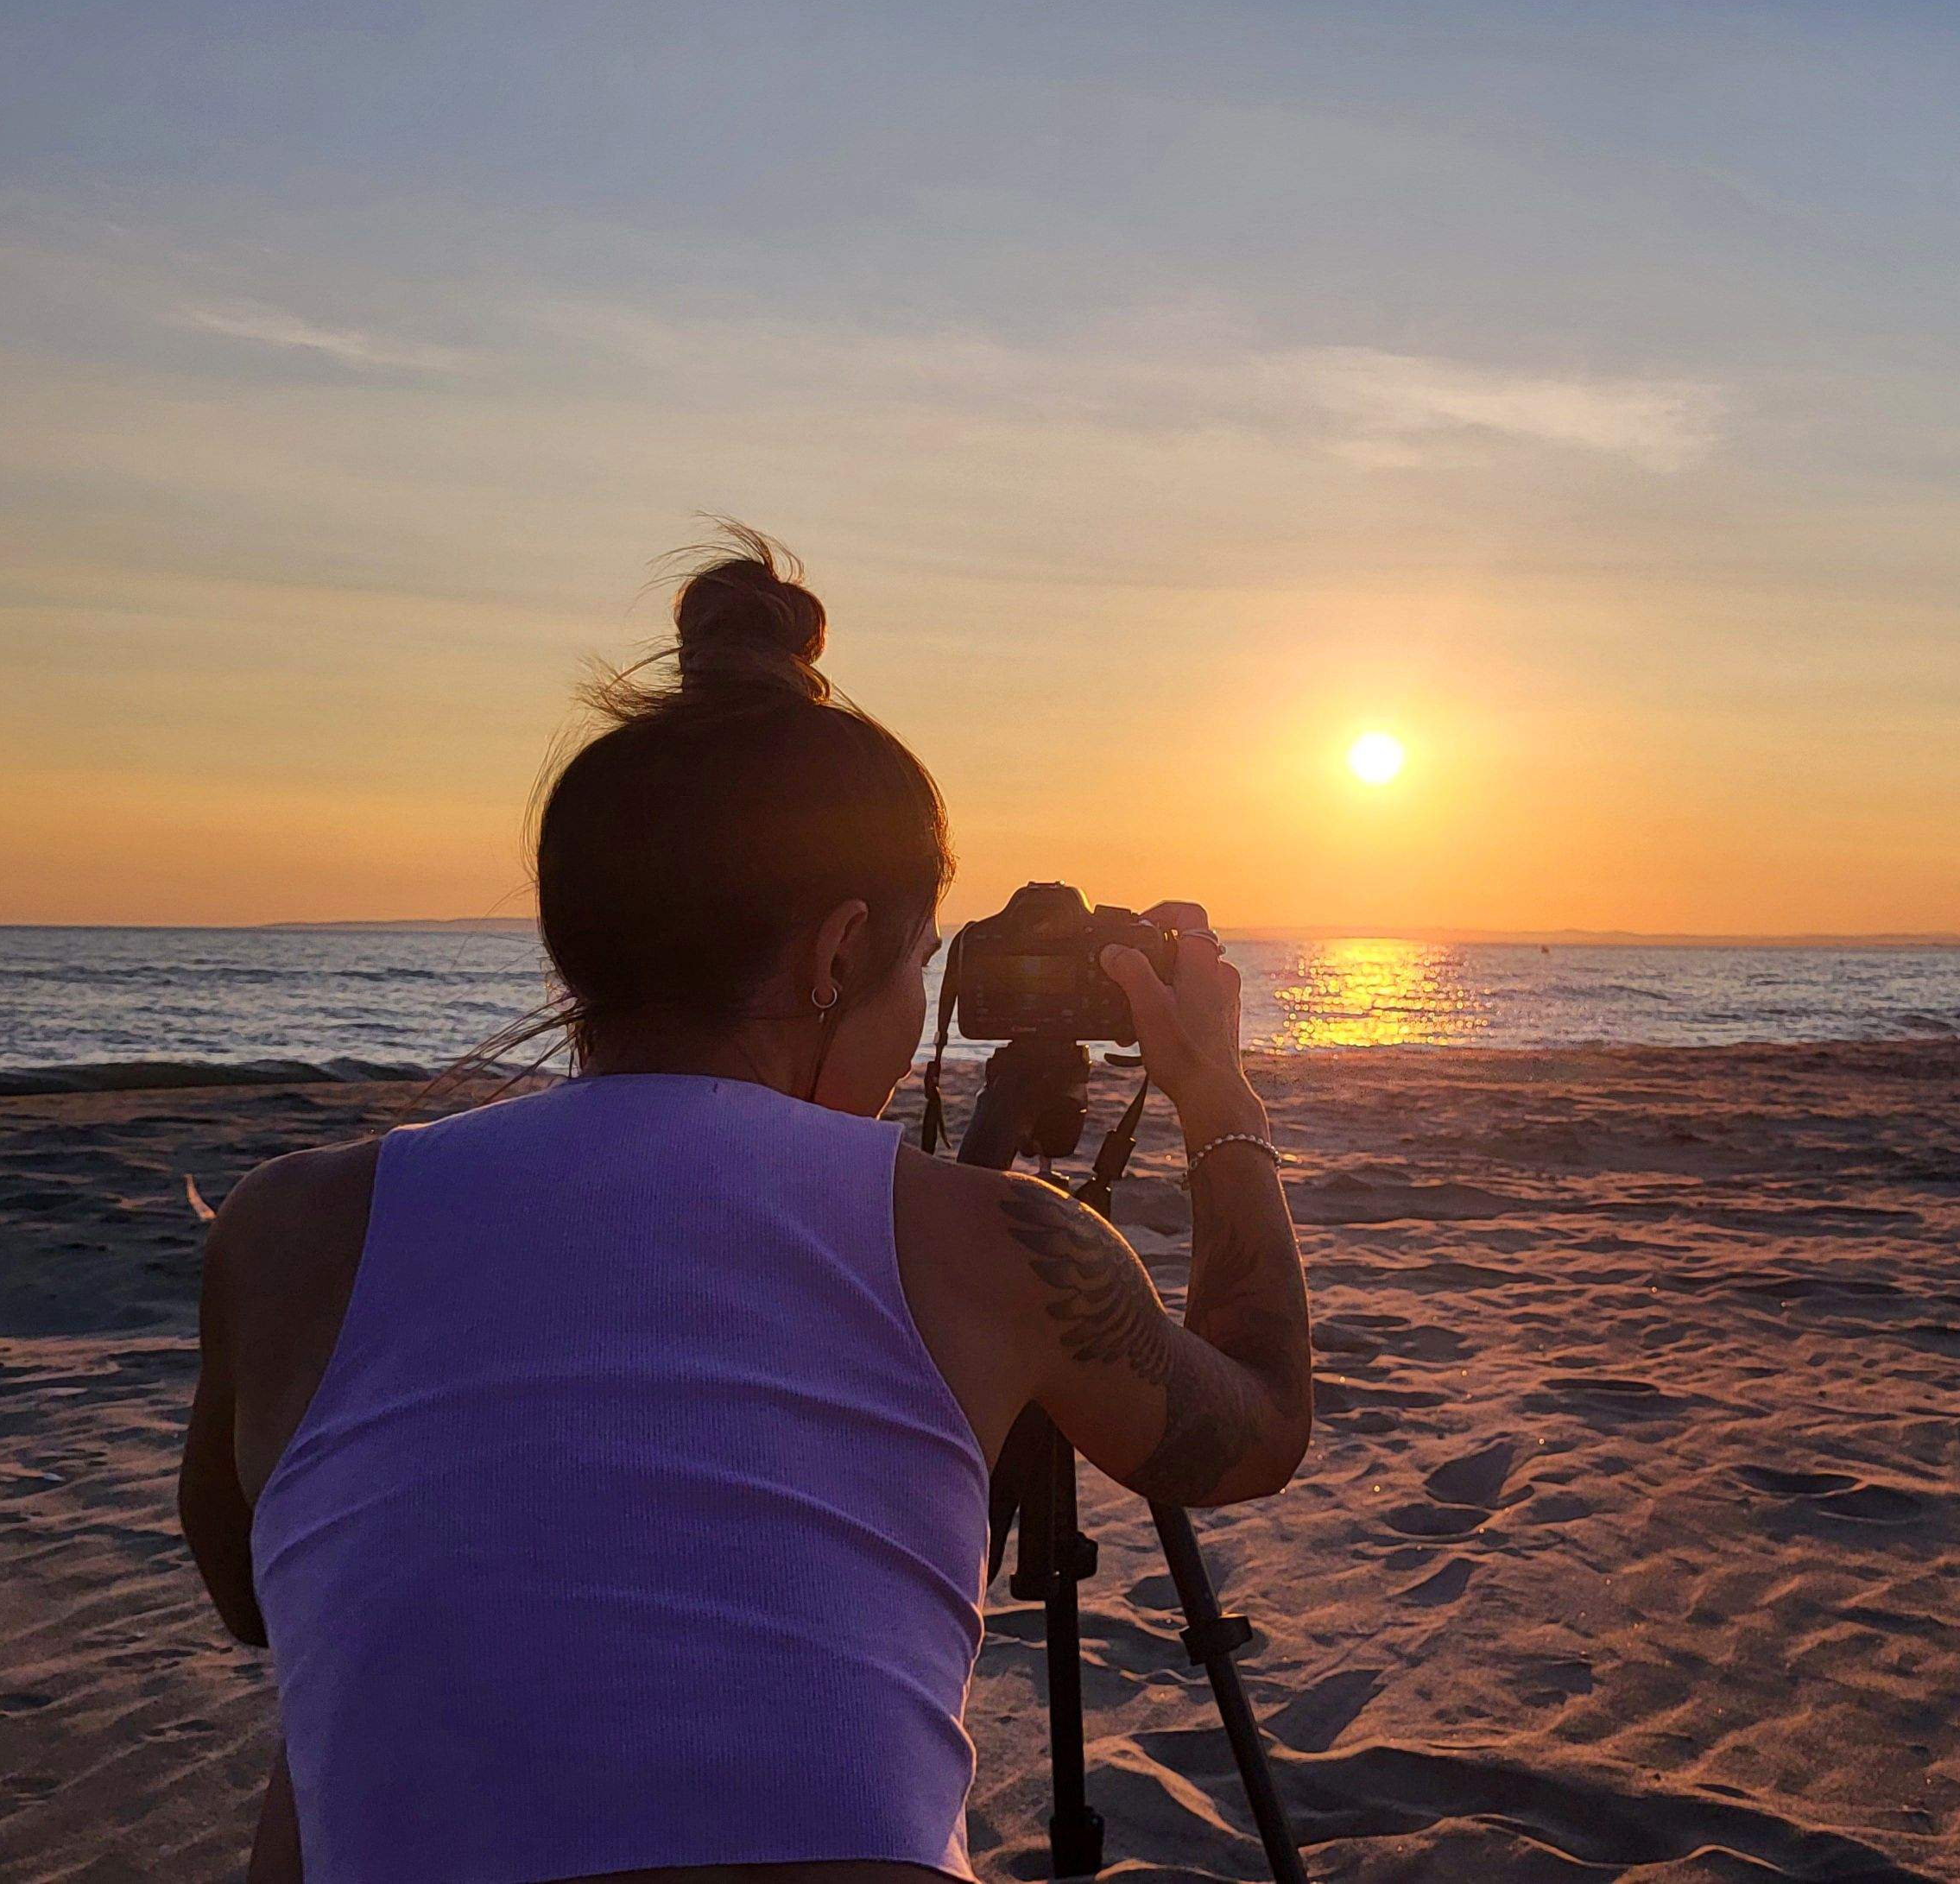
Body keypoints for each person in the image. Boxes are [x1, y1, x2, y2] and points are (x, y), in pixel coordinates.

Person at [174, 525, 1313, 1884]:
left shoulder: (287, 1225)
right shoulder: (998, 1248)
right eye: (916, 965)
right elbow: (1259, 1427)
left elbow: (258, 1598)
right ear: (840, 950)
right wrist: (1216, 1096)